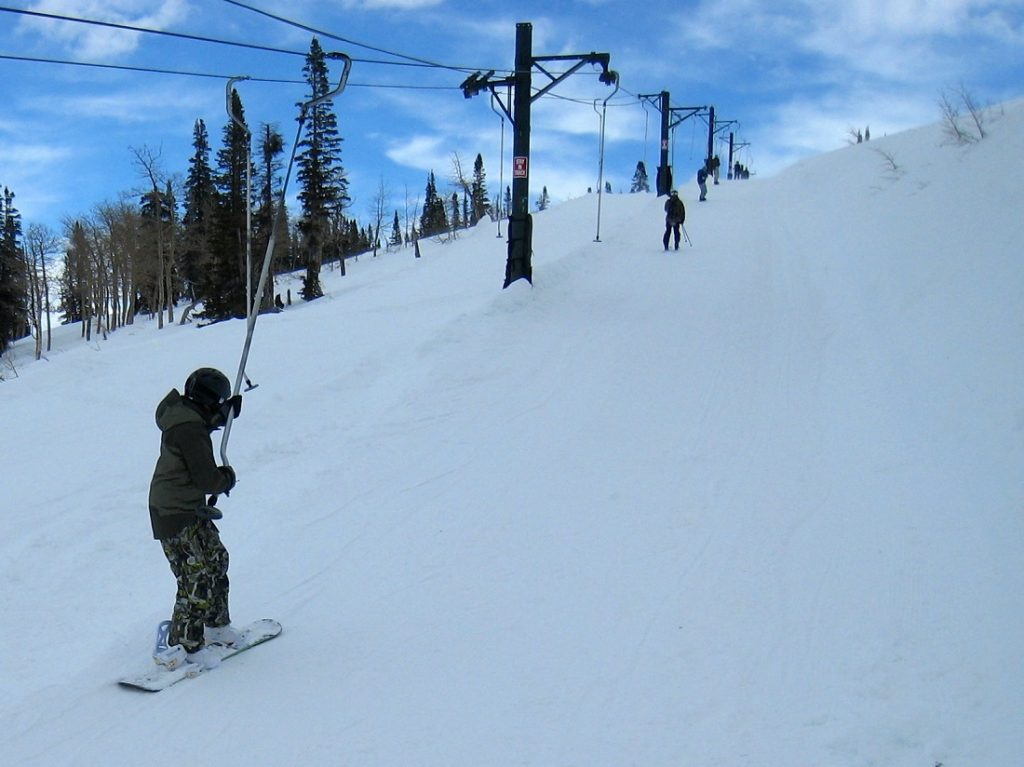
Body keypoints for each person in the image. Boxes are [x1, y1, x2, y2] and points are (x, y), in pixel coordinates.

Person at [149, 367, 243, 670]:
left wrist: (224, 414)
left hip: (188, 507)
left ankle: (216, 625)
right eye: (218, 401)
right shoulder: (189, 430)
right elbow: (207, 479)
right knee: (196, 576)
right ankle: (185, 644)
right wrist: (226, 478)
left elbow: (202, 425)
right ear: (207, 400)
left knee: (216, 559)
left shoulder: (188, 418)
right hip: (174, 513)